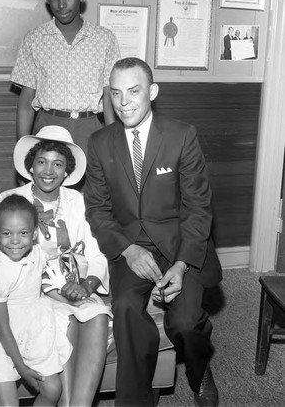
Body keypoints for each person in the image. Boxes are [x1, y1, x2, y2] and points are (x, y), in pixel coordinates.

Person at [84, 57, 223, 407]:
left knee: (186, 322)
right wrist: (128, 250)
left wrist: (181, 265)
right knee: (127, 308)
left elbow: (198, 207)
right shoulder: (100, 142)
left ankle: (199, 365)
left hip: (179, 246)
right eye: (115, 93)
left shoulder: (181, 135)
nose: (124, 101)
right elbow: (97, 210)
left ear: (153, 92)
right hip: (131, 246)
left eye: (134, 91)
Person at [0, 125, 111, 407]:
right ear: (30, 166)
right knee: (65, 322)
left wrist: (86, 285)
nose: (49, 171)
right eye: (42, 162)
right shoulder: (10, 200)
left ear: (67, 171)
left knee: (97, 315)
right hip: (29, 291)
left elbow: (98, 256)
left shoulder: (80, 203)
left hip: (73, 285)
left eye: (58, 164)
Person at [10, 0, 120, 156]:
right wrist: (22, 149)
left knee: (92, 185)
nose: (62, 5)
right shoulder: (34, 38)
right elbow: (26, 101)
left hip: (91, 128)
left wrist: (114, 144)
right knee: (48, 184)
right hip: (47, 127)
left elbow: (109, 97)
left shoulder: (105, 38)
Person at [0, 194, 72, 407]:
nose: (15, 240)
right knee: (8, 403)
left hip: (33, 328)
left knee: (53, 389)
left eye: (23, 233)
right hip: (0, 339)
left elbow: (45, 280)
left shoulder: (37, 253)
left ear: (34, 233)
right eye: (7, 233)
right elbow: (2, 327)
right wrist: (22, 369)